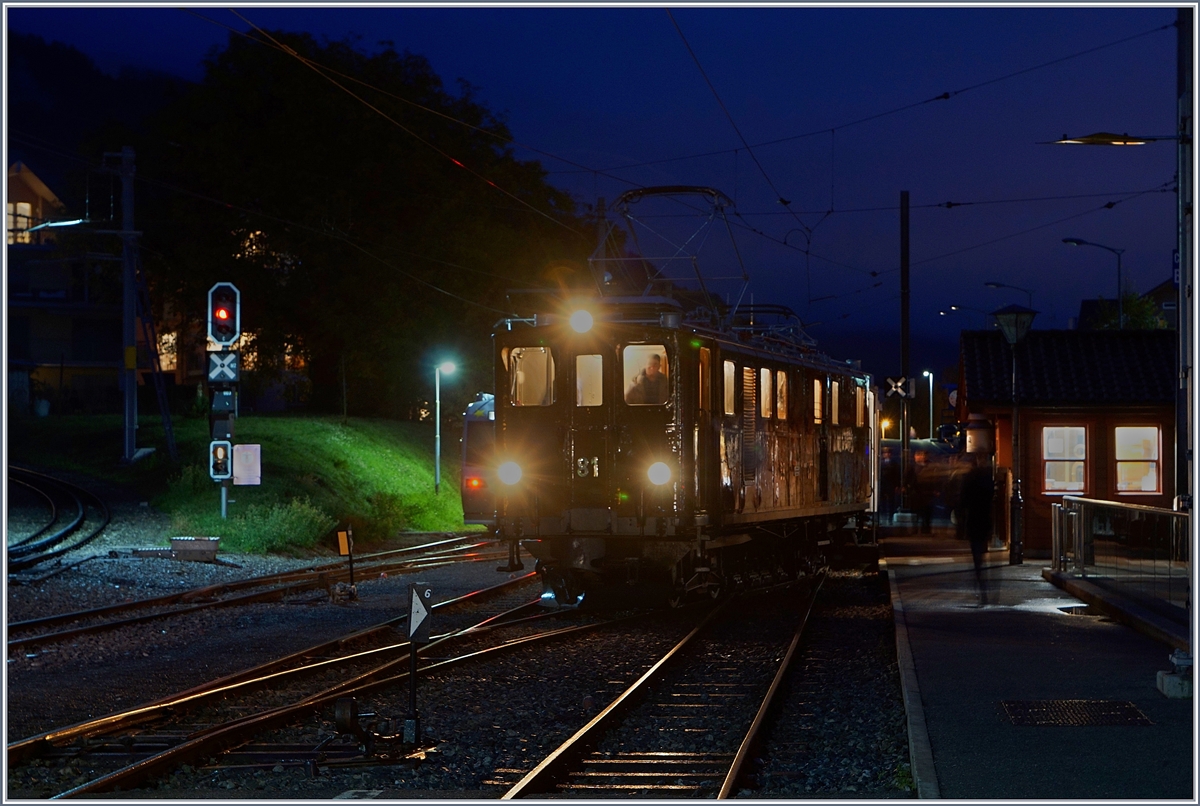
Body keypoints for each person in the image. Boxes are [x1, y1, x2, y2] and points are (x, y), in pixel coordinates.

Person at [960, 452, 995, 605]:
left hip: (974, 519)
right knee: (982, 549)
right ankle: (983, 586)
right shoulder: (988, 478)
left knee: (976, 554)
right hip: (985, 519)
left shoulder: (969, 478)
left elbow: (963, 500)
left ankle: (980, 582)